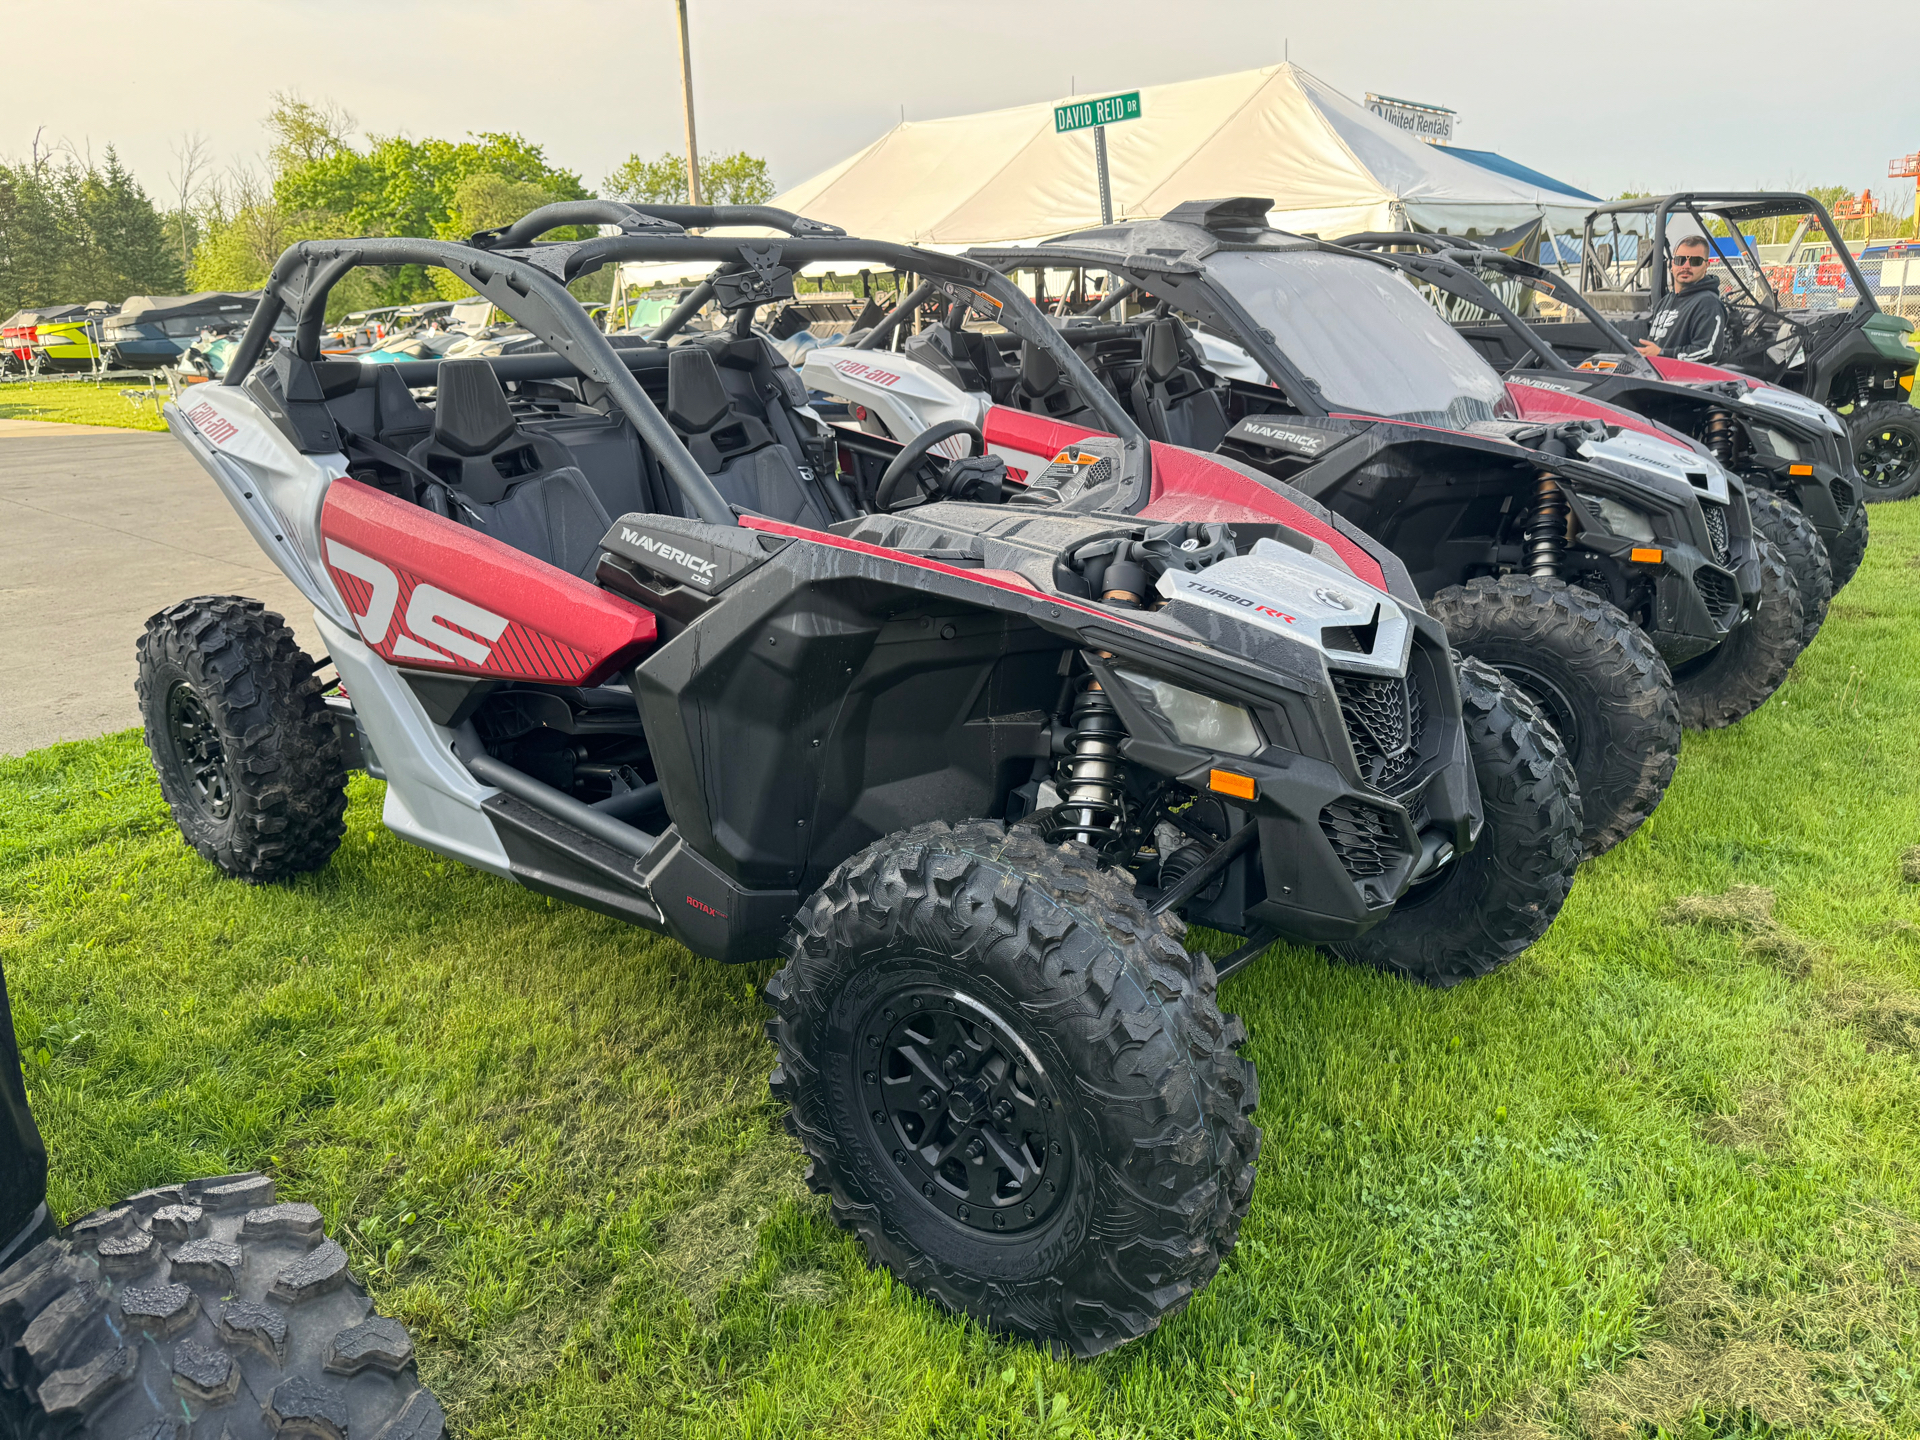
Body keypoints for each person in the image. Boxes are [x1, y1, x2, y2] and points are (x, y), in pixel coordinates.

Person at [1635, 233, 1726, 362]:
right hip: (1656, 377)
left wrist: (1662, 354)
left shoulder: (1708, 304)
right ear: (1672, 264)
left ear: (1706, 266)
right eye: (1680, 260)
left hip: (1685, 381)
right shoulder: (1665, 302)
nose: (1686, 266)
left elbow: (1708, 352)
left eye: (1695, 261)